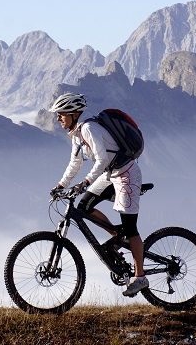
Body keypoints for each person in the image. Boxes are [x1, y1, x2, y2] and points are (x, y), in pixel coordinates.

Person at [48, 92, 148, 297]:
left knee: (130, 228)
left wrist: (85, 182)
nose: (58, 118)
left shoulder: (89, 129)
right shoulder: (77, 135)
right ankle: (118, 239)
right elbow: (75, 163)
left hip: (126, 173)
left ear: (74, 113)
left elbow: (101, 159)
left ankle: (140, 277)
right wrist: (61, 185)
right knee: (83, 207)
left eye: (61, 114)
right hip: (109, 175)